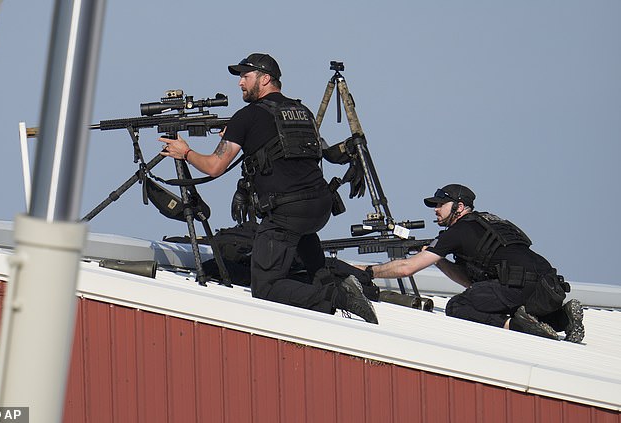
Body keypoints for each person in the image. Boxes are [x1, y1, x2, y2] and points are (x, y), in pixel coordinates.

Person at [158, 53, 378, 324]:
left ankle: (341, 298)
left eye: (245, 76)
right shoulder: (301, 111)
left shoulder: (247, 117)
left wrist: (186, 152)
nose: (239, 83)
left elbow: (215, 166)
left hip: (287, 211)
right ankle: (332, 286)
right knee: (308, 256)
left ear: (264, 79)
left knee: (265, 287)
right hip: (319, 207)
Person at [358, 183, 584, 342]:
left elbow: (407, 268)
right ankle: (562, 318)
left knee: (458, 306)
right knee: (507, 302)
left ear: (459, 206)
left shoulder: (458, 231)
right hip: (548, 285)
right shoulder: (490, 222)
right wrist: (439, 261)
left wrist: (368, 272)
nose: (436, 210)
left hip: (515, 284)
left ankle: (519, 326)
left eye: (441, 204)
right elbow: (471, 283)